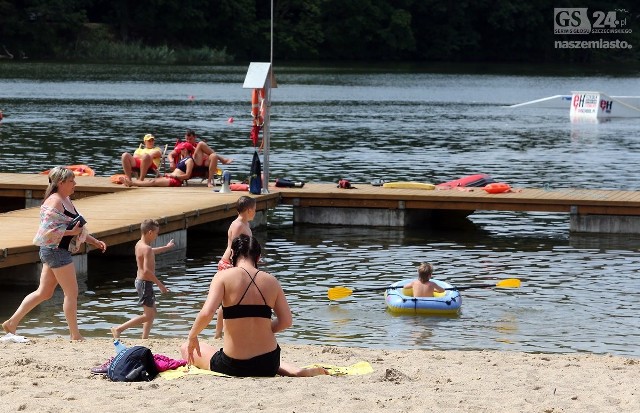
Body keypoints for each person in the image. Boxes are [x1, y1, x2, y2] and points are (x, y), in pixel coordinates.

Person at [181, 234, 327, 377]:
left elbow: (208, 312)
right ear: (258, 257)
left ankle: (293, 371)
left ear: (232, 254)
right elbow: (286, 321)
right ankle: (295, 371)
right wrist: (262, 328)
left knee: (185, 348)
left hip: (233, 365)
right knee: (261, 357)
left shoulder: (223, 277)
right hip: (269, 364)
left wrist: (192, 336)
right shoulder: (272, 281)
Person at [2, 167, 107, 341]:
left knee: (44, 292)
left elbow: (74, 227)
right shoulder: (54, 201)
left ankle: (12, 323)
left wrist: (94, 241)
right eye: (72, 181)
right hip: (55, 251)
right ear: (61, 183)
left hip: (56, 250)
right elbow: (46, 232)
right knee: (71, 293)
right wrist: (70, 233)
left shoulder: (65, 199)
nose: (75, 183)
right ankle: (75, 335)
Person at [111, 219, 174, 339]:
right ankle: (119, 329)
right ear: (150, 232)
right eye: (156, 233)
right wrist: (160, 285)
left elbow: (150, 252)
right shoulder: (147, 248)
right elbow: (146, 271)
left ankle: (145, 337)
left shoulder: (139, 244)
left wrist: (166, 247)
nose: (157, 235)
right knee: (148, 315)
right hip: (145, 283)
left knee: (152, 312)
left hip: (141, 282)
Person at [214, 195, 257, 339]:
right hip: (230, 262)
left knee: (229, 300)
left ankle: (222, 332)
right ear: (249, 210)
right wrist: (236, 265)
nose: (255, 212)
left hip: (237, 262)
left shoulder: (245, 223)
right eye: (255, 209)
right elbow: (235, 247)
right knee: (228, 301)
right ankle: (221, 332)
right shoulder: (238, 225)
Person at [168, 129, 233, 187]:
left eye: (190, 139)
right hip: (191, 163)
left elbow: (207, 155)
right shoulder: (183, 145)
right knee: (201, 143)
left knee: (214, 156)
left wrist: (200, 152)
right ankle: (222, 160)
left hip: (201, 164)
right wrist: (171, 162)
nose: (188, 141)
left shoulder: (198, 146)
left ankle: (209, 181)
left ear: (195, 137)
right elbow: (170, 154)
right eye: (186, 139)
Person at [120, 142, 195, 187]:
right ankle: (131, 182)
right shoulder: (184, 159)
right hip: (171, 177)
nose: (180, 150)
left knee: (153, 182)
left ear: (185, 150)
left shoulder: (189, 160)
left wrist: (173, 176)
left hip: (176, 181)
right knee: (152, 180)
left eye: (182, 149)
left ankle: (131, 183)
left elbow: (187, 176)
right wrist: (170, 174)